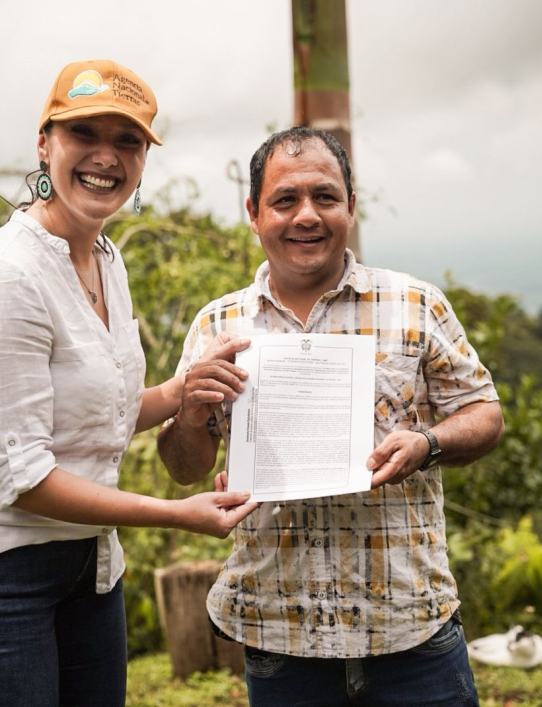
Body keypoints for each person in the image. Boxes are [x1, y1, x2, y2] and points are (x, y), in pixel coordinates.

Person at [0, 60, 256, 707]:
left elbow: (106, 414)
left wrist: (185, 388)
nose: (106, 157)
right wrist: (175, 515)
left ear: (144, 159)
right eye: (84, 134)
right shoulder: (9, 277)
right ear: (45, 143)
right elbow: (23, 476)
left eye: (127, 141)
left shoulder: (104, 258)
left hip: (89, 565)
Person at [157, 126, 504, 707]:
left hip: (410, 627)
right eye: (285, 200)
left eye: (324, 197)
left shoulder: (415, 305)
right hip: (279, 635)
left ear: (350, 204)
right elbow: (185, 470)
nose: (306, 216)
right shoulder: (217, 326)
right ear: (253, 212)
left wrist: (425, 444)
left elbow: (484, 414)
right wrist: (191, 419)